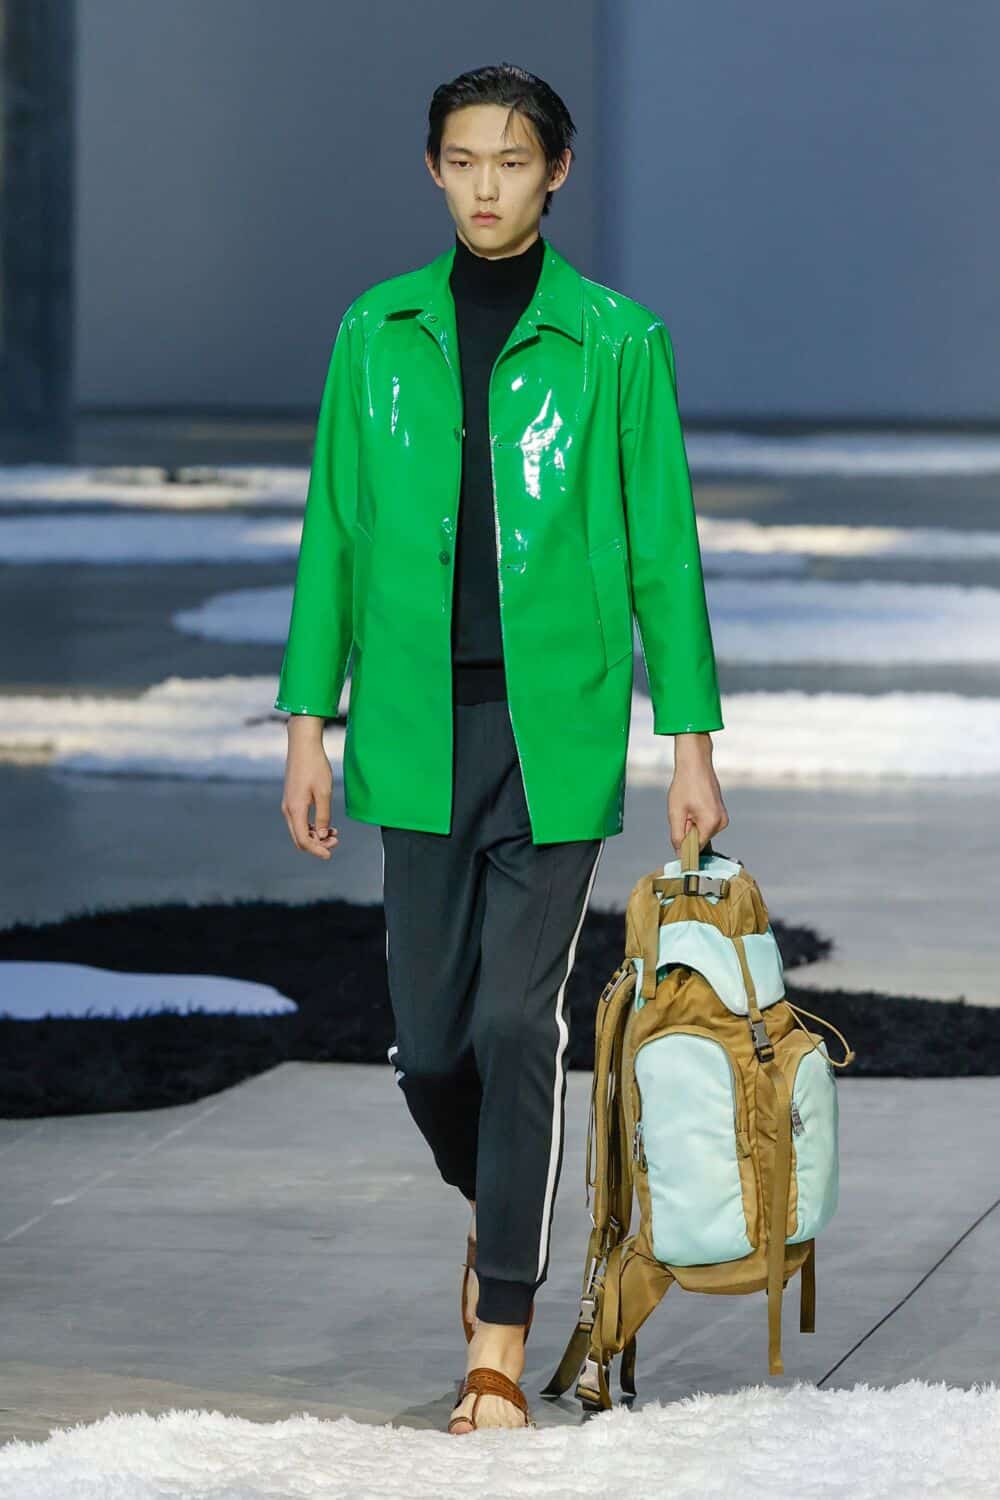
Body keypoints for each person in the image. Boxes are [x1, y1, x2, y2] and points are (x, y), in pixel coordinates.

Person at [275, 62, 729, 1434]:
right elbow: (335, 531)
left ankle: (500, 1335)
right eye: (463, 161)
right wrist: (307, 726)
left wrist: (690, 742)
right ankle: (512, 1202)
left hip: (557, 726)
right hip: (415, 726)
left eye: (513, 162)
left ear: (557, 173)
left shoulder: (618, 342)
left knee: (516, 1023)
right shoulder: (375, 331)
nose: (486, 186)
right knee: (428, 1044)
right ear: (434, 170)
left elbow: (664, 550)